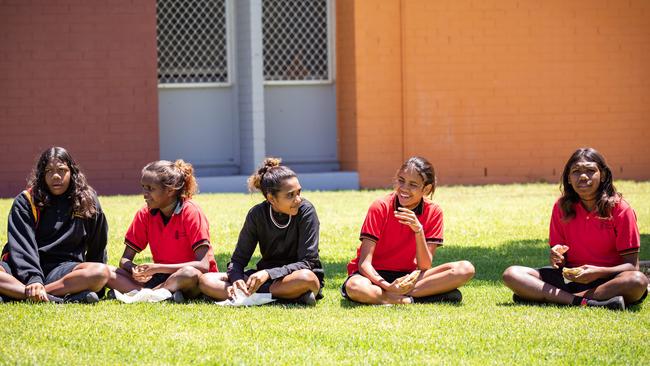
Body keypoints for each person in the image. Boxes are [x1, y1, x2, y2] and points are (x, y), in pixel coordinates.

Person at [502, 147, 648, 310]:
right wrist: (557, 256)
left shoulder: (621, 209)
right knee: (511, 274)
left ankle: (548, 297)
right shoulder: (561, 206)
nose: (583, 176)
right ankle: (586, 302)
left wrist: (597, 272)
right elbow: (561, 261)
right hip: (569, 280)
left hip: (609, 280)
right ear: (569, 178)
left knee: (637, 281)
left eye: (590, 170)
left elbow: (631, 266)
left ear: (603, 175)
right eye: (576, 171)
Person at [341, 156, 475, 305]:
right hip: (373, 275)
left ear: (427, 189)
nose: (404, 188)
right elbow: (364, 264)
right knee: (355, 287)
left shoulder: (434, 212)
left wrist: (419, 231)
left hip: (410, 277)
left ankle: (388, 297)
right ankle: (409, 299)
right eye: (401, 180)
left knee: (465, 269)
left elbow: (424, 266)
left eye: (413, 184)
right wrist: (388, 286)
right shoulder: (380, 206)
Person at [199, 157, 324, 305]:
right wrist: (237, 279)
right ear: (271, 198)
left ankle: (253, 296)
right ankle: (285, 297)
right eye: (290, 195)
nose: (298, 199)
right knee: (206, 280)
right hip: (265, 280)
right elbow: (238, 260)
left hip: (293, 276)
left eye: (299, 192)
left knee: (306, 278)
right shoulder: (257, 214)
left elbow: (308, 262)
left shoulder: (306, 211)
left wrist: (268, 274)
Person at [0, 147, 110, 304]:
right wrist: (33, 278)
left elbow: (98, 243)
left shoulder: (86, 200)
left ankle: (19, 294)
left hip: (62, 270)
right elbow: (22, 245)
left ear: (72, 172)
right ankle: (50, 297)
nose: (56, 176)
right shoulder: (26, 201)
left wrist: (96, 286)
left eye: (61, 170)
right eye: (49, 171)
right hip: (21, 268)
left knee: (99, 273)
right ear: (41, 174)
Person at [107, 160, 217, 303]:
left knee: (188, 274)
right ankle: (165, 293)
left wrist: (157, 267)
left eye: (151, 189)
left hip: (194, 278)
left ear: (170, 190)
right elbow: (125, 260)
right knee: (107, 271)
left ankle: (146, 294)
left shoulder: (191, 212)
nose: (145, 194)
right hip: (160, 276)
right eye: (143, 187)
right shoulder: (144, 213)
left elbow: (203, 265)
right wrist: (135, 269)